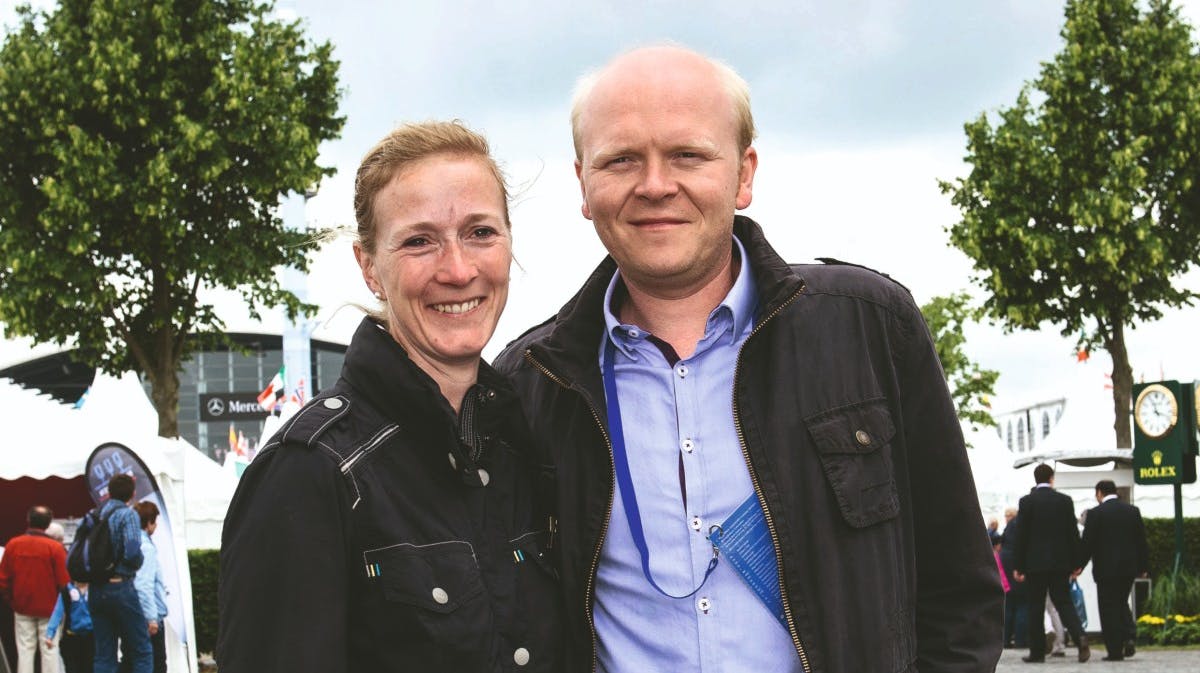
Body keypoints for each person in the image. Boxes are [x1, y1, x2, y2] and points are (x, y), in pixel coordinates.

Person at [495, 44, 1003, 672]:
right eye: (622, 159)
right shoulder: (529, 384)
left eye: (687, 155)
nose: (655, 185)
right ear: (583, 184)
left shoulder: (870, 329)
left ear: (744, 175)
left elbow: (961, 594)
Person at [217, 121, 562, 672]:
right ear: (368, 266)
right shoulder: (310, 474)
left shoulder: (530, 443)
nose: (458, 269)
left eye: (480, 232)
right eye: (419, 241)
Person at [1011, 463, 1090, 663]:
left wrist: (1018, 565)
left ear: (1035, 479)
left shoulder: (1027, 502)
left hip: (1034, 564)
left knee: (1035, 606)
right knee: (1064, 602)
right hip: (1059, 562)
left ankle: (1037, 652)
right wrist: (1076, 562)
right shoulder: (1064, 501)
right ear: (1051, 478)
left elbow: (1022, 536)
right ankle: (1080, 636)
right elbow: (1072, 533)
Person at [1080, 479, 1148, 661]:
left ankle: (1115, 650)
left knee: (1108, 608)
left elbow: (1088, 543)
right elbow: (1141, 541)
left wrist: (1079, 565)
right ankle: (1129, 635)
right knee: (1121, 602)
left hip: (1105, 569)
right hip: (1127, 569)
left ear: (1100, 493)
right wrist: (1143, 567)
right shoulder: (1132, 511)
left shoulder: (1095, 514)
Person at [89, 473, 148, 673]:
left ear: (109, 492)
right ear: (132, 494)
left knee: (105, 653)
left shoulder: (93, 515)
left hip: (96, 589)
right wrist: (139, 561)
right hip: (121, 587)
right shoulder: (128, 514)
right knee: (141, 649)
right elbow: (132, 551)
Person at [0, 505, 69, 673]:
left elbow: (3, 580)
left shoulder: (13, 545)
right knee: (50, 650)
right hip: (50, 609)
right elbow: (64, 582)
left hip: (22, 607)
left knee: (25, 651)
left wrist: (13, 601)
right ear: (48, 524)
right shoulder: (55, 548)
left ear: (28, 520)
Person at [118, 502, 167, 673]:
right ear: (149, 523)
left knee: (129, 659)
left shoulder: (128, 543)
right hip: (146, 615)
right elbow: (144, 584)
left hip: (128, 609)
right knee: (156, 662)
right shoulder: (146, 547)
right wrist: (152, 617)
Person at [44, 581, 92, 673]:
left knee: (89, 668)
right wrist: (50, 634)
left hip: (90, 638)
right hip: (71, 638)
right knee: (72, 668)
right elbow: (57, 613)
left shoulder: (93, 589)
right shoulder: (66, 591)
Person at [1000, 507, 1029, 648]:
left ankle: (1005, 640)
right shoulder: (1021, 531)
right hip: (1019, 573)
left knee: (1008, 607)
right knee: (1022, 606)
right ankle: (1020, 640)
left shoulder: (1005, 539)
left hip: (1006, 575)